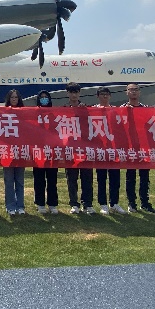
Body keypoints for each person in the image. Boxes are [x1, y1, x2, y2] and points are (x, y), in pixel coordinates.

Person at [122, 83, 155, 214]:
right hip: (129, 147)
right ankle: (131, 203)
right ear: (126, 92)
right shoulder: (122, 109)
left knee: (144, 177)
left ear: (139, 92)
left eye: (136, 89)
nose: (133, 92)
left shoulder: (145, 109)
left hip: (144, 147)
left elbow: (152, 127)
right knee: (130, 176)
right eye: (130, 90)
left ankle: (145, 203)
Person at [93, 87, 126, 215]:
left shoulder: (115, 111)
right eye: (102, 94)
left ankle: (114, 203)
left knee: (115, 178)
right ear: (98, 96)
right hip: (99, 149)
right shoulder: (92, 110)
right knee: (101, 178)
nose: (105, 96)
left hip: (113, 148)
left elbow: (120, 129)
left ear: (110, 96)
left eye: (107, 94)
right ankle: (103, 204)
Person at [65, 82, 95, 214]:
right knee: (71, 178)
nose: (74, 95)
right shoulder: (64, 109)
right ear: (67, 93)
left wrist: (85, 112)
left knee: (87, 177)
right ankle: (74, 204)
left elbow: (92, 126)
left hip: (85, 147)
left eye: (76, 92)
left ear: (79, 93)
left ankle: (87, 204)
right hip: (70, 148)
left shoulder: (86, 108)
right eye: (72, 92)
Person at [33, 90, 58, 214]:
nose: (44, 99)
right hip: (38, 151)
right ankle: (40, 203)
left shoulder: (54, 114)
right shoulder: (34, 113)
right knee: (39, 179)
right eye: (41, 97)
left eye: (46, 97)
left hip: (52, 150)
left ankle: (52, 204)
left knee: (52, 179)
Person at [2, 89, 26, 216]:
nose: (14, 99)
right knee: (9, 180)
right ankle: (10, 205)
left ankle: (20, 205)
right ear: (8, 99)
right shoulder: (3, 113)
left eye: (16, 97)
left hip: (21, 151)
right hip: (7, 152)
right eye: (12, 97)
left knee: (20, 181)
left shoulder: (24, 113)